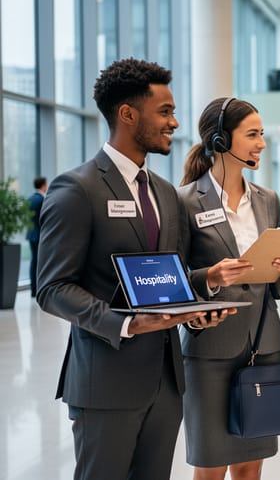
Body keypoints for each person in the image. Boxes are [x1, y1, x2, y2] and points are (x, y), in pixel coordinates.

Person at [37, 58, 229, 480]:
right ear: (127, 114)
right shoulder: (77, 188)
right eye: (165, 112)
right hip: (106, 383)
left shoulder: (165, 192)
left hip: (166, 384)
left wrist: (199, 303)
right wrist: (127, 324)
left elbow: (169, 276)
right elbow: (52, 287)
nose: (174, 122)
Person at [178, 97, 280, 480]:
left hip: (264, 346)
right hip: (210, 349)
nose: (261, 143)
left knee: (251, 466)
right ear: (220, 140)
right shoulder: (184, 201)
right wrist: (210, 278)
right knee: (211, 466)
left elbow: (276, 285)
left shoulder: (267, 200)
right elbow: (174, 278)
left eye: (261, 134)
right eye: (252, 134)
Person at [26, 176, 47, 297]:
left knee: (34, 261)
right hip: (40, 235)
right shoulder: (42, 199)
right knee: (40, 262)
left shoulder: (30, 199)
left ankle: (33, 290)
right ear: (43, 185)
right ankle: (39, 289)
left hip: (31, 234)